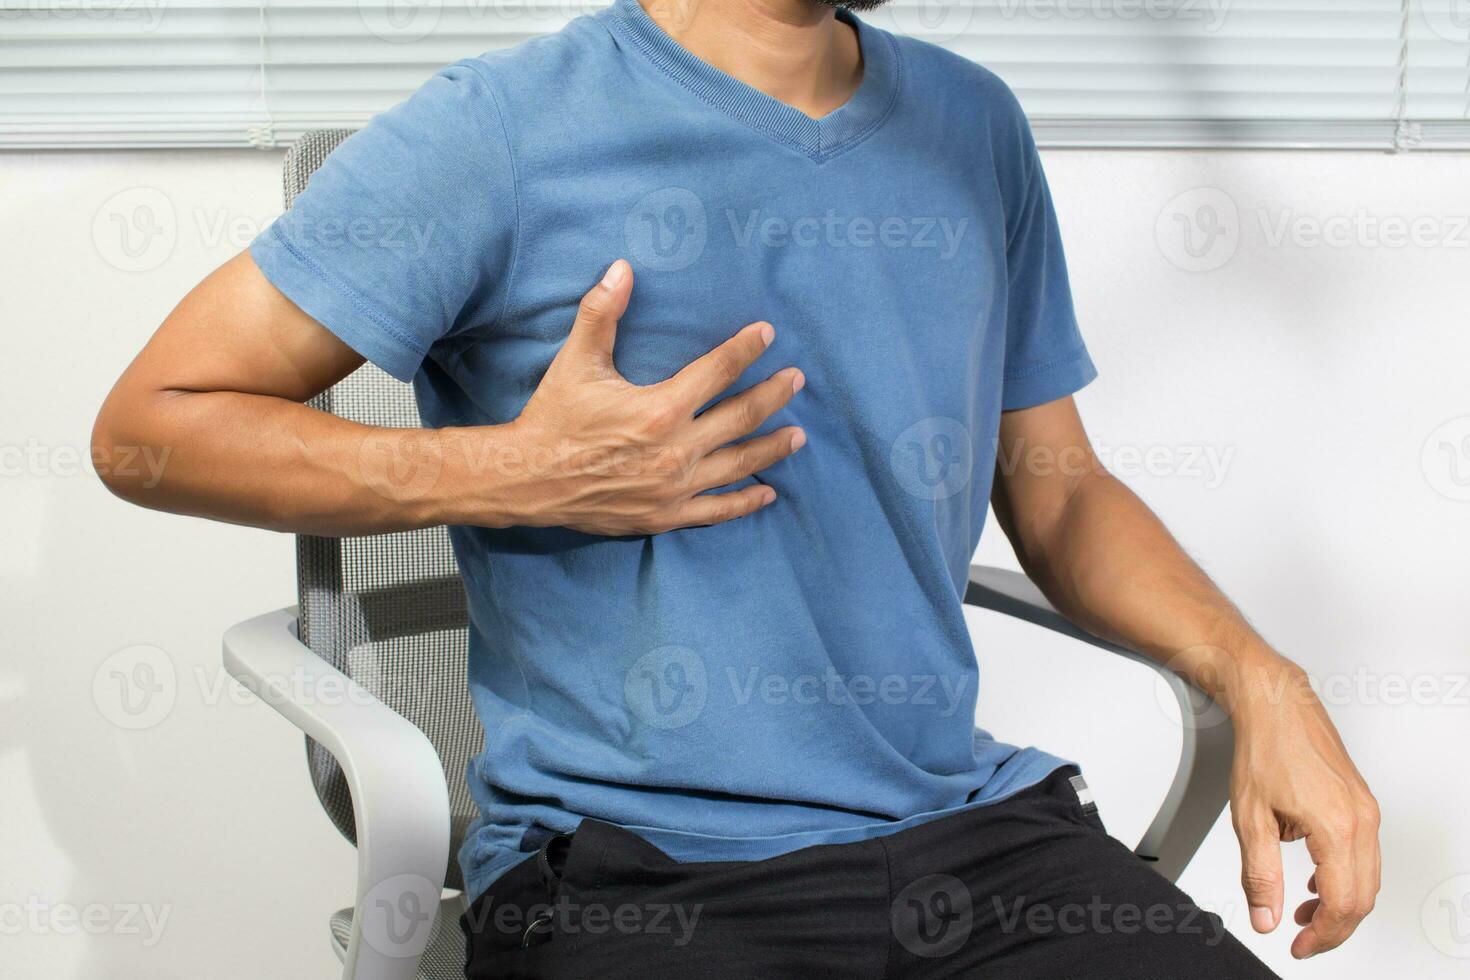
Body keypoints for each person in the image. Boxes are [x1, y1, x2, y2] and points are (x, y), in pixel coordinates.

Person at [92, 0, 1379, 975]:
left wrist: (1260, 674)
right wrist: (514, 468)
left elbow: (1059, 487)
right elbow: (152, 427)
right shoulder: (501, 129)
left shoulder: (973, 125)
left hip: (974, 838)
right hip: (642, 874)